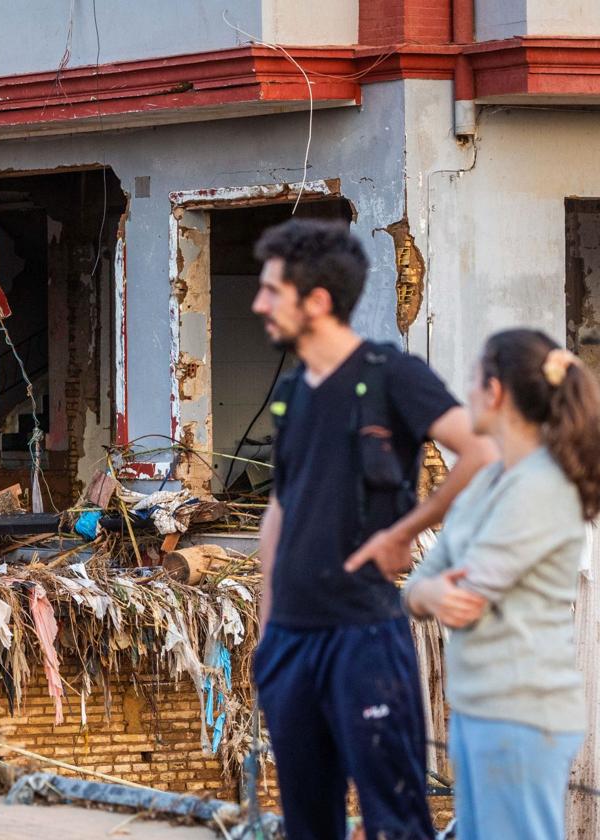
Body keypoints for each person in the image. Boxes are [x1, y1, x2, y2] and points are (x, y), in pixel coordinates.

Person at [248, 219, 496, 840]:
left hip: (364, 635)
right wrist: (268, 627)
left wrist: (403, 531)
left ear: (318, 302)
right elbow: (281, 508)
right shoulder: (289, 395)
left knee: (395, 822)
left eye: (272, 290)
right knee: (308, 824)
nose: (259, 304)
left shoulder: (391, 374)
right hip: (291, 642)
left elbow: (480, 453)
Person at [405, 329, 599, 840]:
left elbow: (468, 595)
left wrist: (436, 590)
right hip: (479, 704)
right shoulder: (490, 479)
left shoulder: (543, 486)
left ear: (496, 392)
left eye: (472, 379)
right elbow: (422, 583)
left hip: (522, 711)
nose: (465, 392)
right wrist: (431, 590)